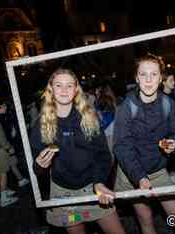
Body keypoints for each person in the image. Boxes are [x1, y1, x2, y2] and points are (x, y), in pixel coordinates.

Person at [29, 68, 125, 234]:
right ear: (51, 90)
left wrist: (99, 181)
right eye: (59, 85)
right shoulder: (41, 125)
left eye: (69, 85)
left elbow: (103, 155)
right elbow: (35, 168)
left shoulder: (89, 118)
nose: (64, 90)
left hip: (94, 191)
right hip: (64, 196)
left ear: (76, 90)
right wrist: (39, 165)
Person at [113, 53, 175, 234]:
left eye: (154, 74)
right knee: (146, 219)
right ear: (136, 78)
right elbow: (122, 146)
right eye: (143, 74)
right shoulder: (127, 107)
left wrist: (173, 144)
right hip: (133, 173)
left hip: (158, 169)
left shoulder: (167, 103)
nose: (148, 79)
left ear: (161, 78)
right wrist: (139, 177)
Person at [0, 101, 29, 187]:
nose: (5, 107)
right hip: (7, 144)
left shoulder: (5, 116)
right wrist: (8, 145)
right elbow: (4, 133)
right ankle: (19, 180)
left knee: (11, 163)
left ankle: (20, 179)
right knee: (7, 166)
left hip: (10, 143)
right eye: (3, 106)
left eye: (5, 105)